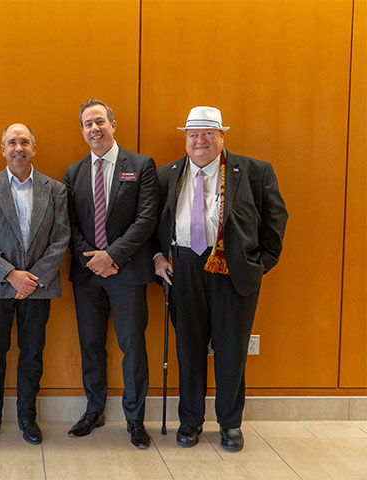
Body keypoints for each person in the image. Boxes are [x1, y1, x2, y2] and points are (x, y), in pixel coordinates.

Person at [153, 106, 287, 452]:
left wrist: (258, 266)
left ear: (222, 137)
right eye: (193, 134)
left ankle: (230, 424)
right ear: (185, 140)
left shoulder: (254, 172)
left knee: (231, 351)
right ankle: (190, 421)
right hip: (183, 269)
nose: (200, 141)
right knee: (189, 349)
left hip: (233, 272)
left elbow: (275, 221)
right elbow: (153, 223)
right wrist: (157, 257)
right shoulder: (168, 174)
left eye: (208, 133)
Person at [63, 99, 158, 449]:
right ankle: (94, 410)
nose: (94, 129)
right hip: (88, 275)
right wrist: (92, 258)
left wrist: (112, 256)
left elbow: (146, 218)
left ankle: (134, 420)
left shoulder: (141, 165)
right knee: (91, 345)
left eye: (100, 121)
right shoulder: (73, 172)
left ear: (113, 125)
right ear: (82, 130)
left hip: (127, 271)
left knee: (132, 346)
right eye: (88, 123)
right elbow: (69, 224)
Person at [0, 124, 70, 445]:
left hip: (39, 287)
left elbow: (60, 240)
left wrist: (32, 278)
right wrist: (11, 274)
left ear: (34, 147)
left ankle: (28, 418)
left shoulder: (55, 190)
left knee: (32, 354)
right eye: (12, 142)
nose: (18, 147)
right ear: (2, 149)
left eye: (24, 141)